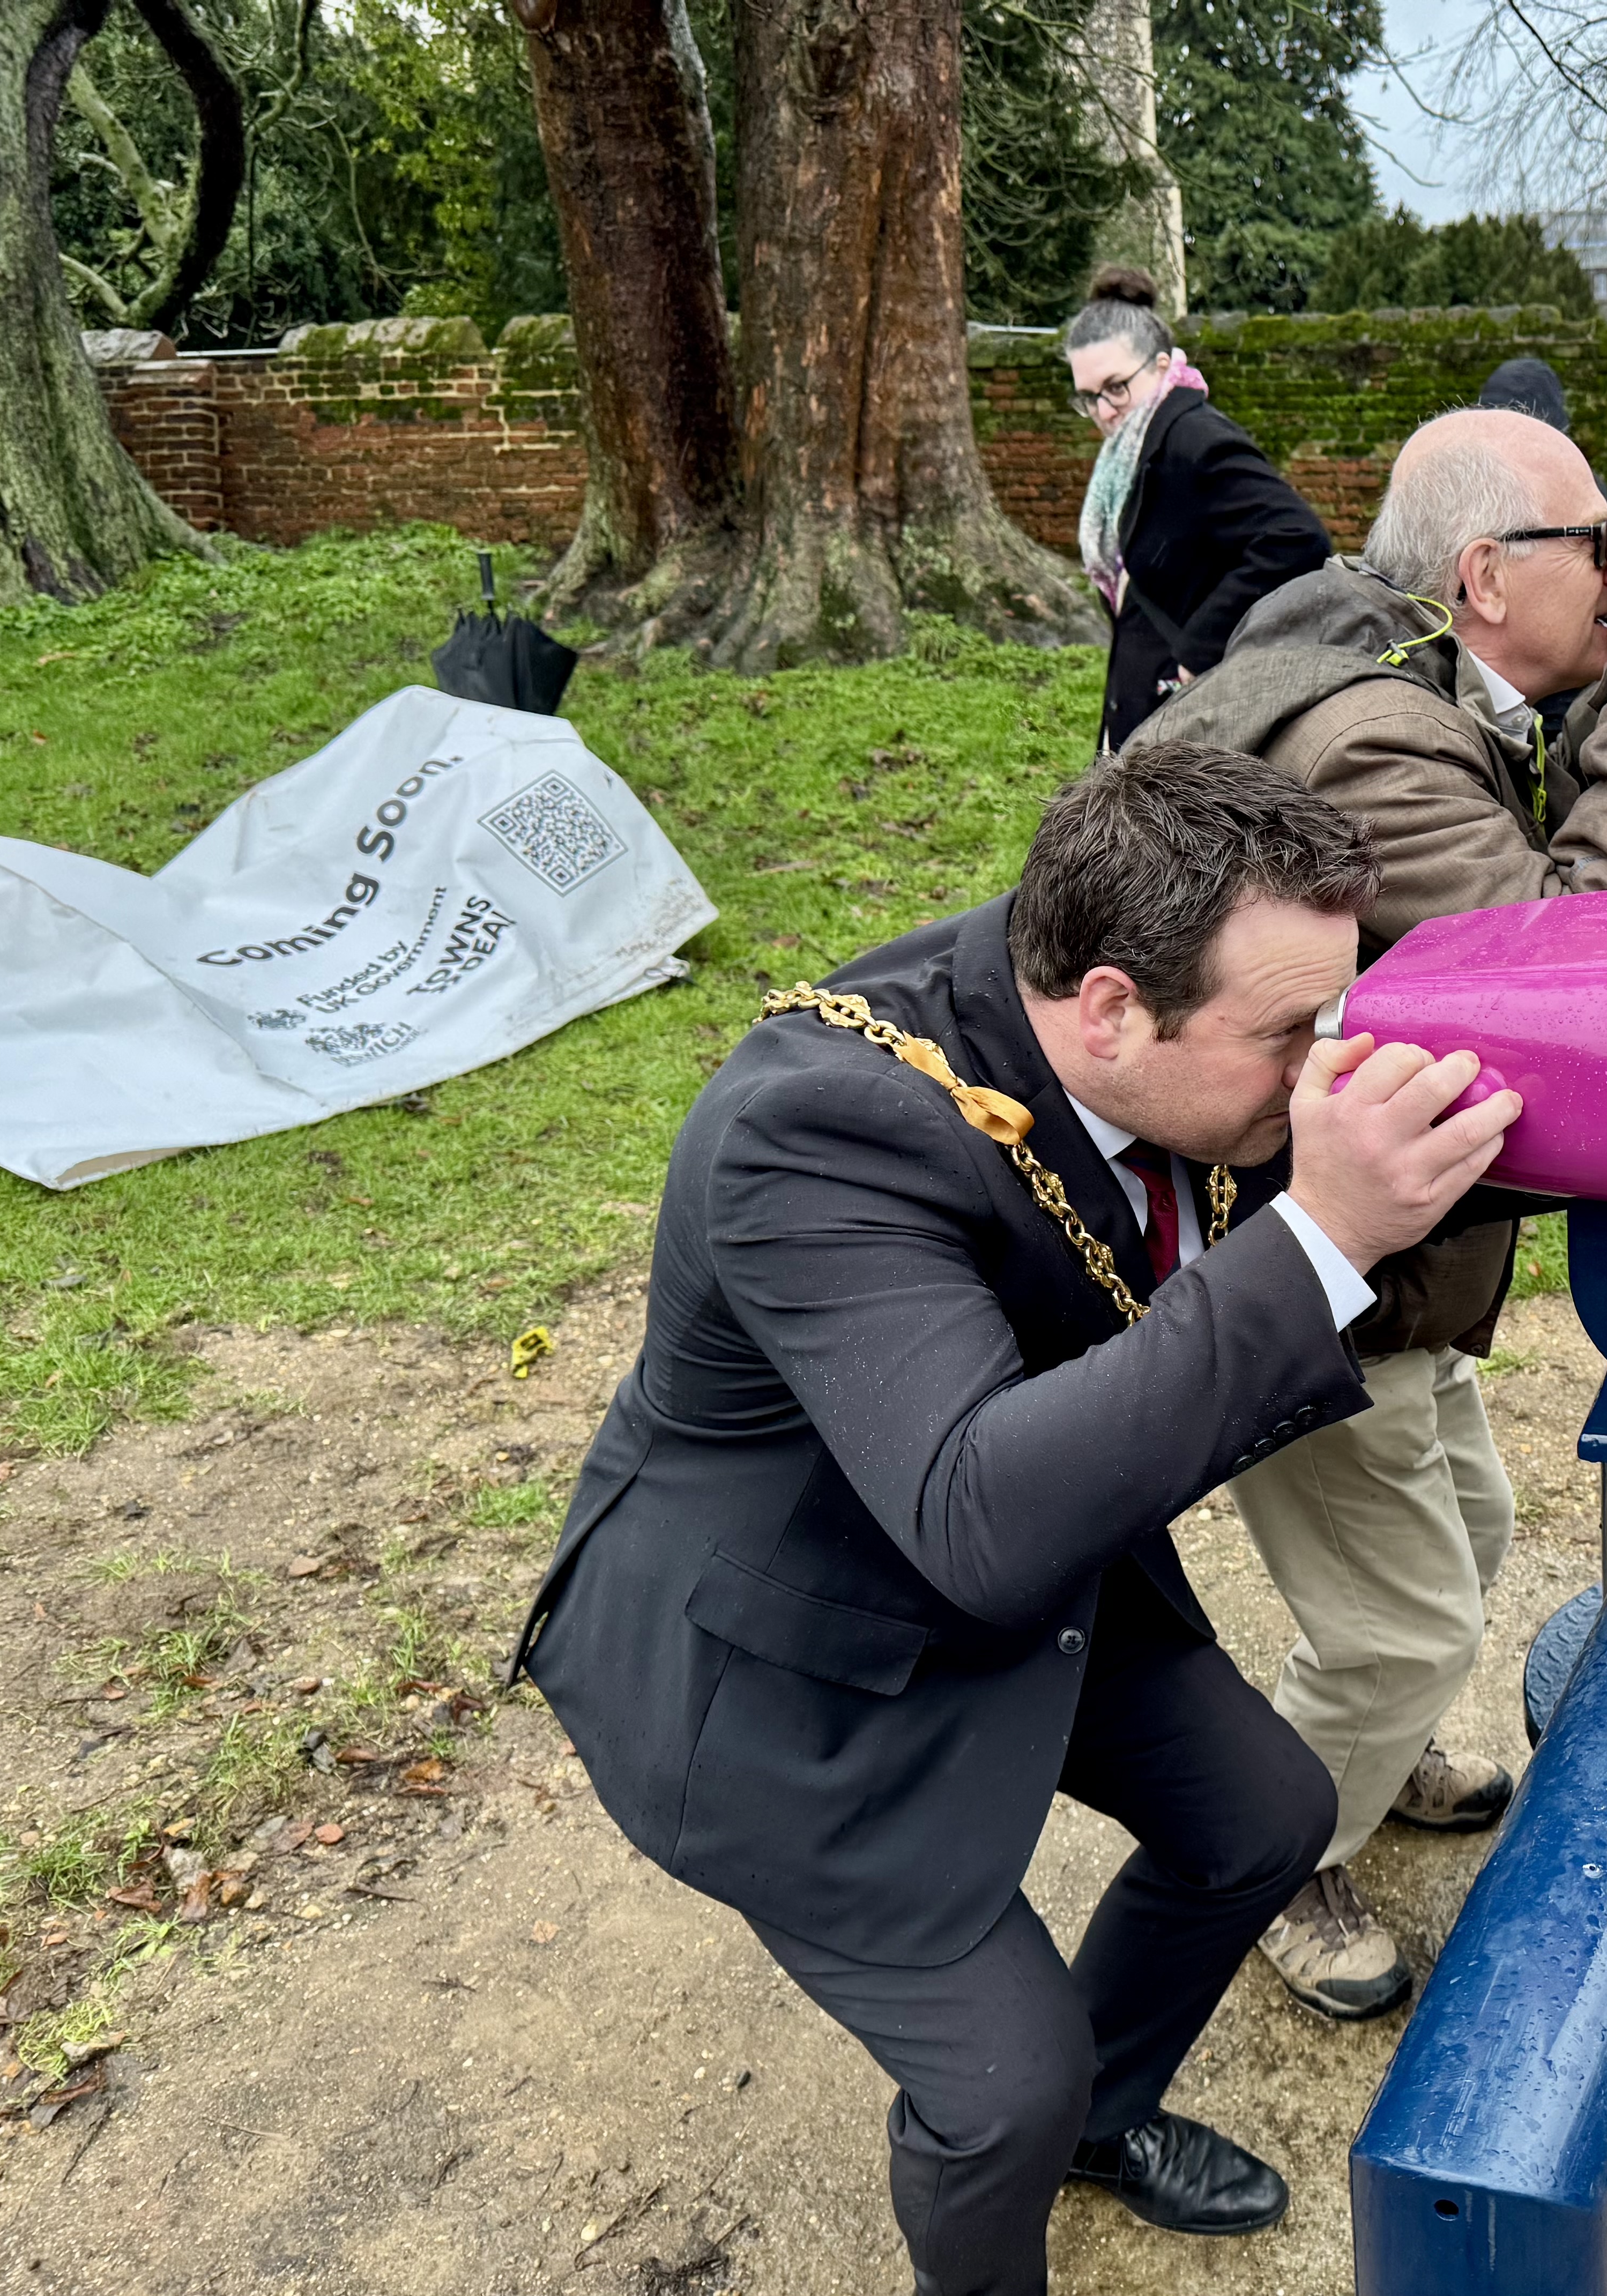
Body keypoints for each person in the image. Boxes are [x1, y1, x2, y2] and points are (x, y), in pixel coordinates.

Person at [507, 742, 1522, 2295]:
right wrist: (1322, 1233)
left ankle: (1104, 2122)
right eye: (1291, 1036)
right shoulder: (817, 1130)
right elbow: (976, 1510)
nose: (1323, 1071)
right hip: (795, 1666)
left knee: (1264, 1818)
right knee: (1000, 2088)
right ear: (1111, 1006)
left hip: (1038, 1558)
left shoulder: (1124, 1010)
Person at [1132, 405, 1607, 2018]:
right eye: (1588, 549)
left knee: (1462, 1536)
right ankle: (1274, 1856)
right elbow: (1574, 965)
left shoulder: (1395, 673)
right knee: (1401, 1625)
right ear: (1481, 574)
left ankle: (1364, 1748)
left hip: (1375, 1246)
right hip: (1304, 1259)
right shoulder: (1367, 746)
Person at [1064, 268, 1330, 751]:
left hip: (1185, 711)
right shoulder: (1129, 452)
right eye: (1089, 398)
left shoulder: (1194, 437)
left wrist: (1199, 650)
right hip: (1142, 699)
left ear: (1161, 364)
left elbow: (1296, 537)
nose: (1104, 411)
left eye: (1116, 387)